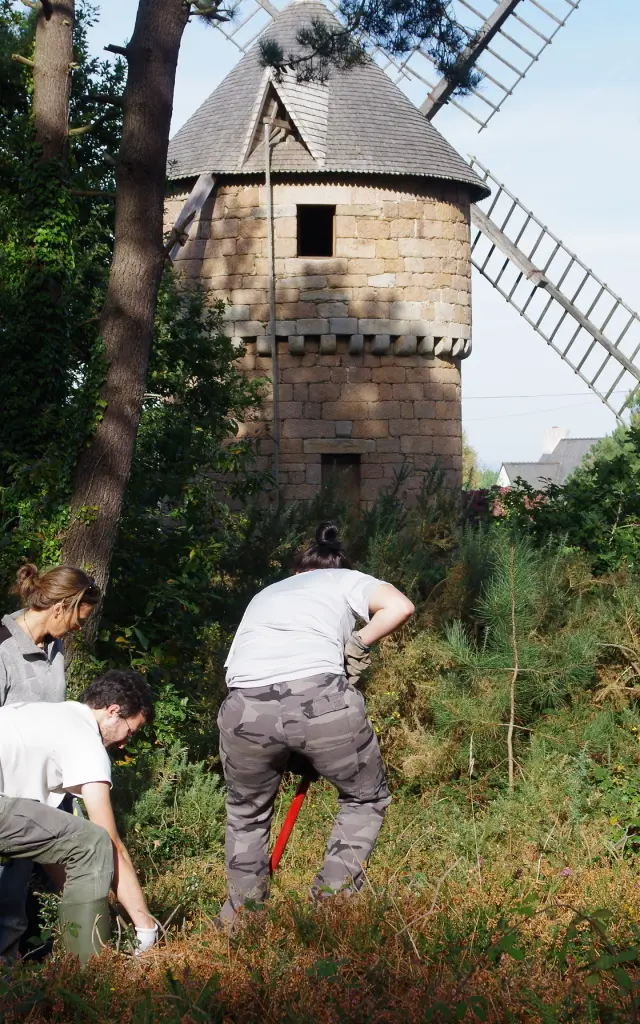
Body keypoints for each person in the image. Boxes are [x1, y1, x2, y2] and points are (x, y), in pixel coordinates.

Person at [218, 521, 415, 928]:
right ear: (338, 568)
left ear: (297, 571)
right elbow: (401, 607)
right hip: (320, 698)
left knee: (246, 814)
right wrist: (359, 643)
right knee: (364, 799)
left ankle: (242, 923)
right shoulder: (347, 580)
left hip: (243, 705)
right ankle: (330, 911)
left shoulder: (269, 592)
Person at [0, 669, 158, 965]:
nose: (125, 743)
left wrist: (88, 897)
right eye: (130, 731)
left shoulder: (48, 716)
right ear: (113, 711)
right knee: (92, 839)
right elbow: (107, 842)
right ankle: (89, 974)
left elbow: (51, 848)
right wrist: (144, 926)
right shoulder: (86, 741)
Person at [0, 563, 101, 960]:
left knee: (16, 904)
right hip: (8, 793)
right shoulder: (4, 645)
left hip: (39, 793)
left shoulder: (54, 647)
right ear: (61, 607)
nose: (80, 627)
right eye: (79, 617)